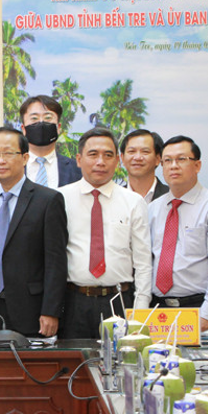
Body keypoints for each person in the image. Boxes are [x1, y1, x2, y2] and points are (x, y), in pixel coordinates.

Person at [59, 128, 152, 339]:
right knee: (75, 365)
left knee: (120, 366)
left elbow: (143, 262)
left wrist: (139, 312)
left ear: (117, 161)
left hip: (119, 300)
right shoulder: (59, 198)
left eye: (108, 155)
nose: (100, 161)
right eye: (93, 154)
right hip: (74, 302)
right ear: (79, 159)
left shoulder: (133, 201)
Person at [0, 127, 67, 337]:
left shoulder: (48, 200)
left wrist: (51, 310)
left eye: (8, 153)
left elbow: (56, 261)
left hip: (31, 308)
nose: (0, 160)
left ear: (25, 158)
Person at [149, 136, 208, 337]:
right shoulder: (153, 209)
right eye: (167, 161)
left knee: (198, 368)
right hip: (158, 311)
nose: (173, 166)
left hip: (199, 308)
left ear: (197, 165)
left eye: (181, 159)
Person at [0, 95, 82, 189]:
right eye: (34, 118)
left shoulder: (75, 169)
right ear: (23, 129)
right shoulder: (4, 168)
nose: (41, 122)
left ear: (59, 128)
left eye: (48, 117)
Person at [120, 129, 168, 203]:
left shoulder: (172, 197)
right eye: (131, 151)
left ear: (158, 159)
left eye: (145, 151)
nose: (137, 157)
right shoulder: (113, 199)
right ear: (122, 158)